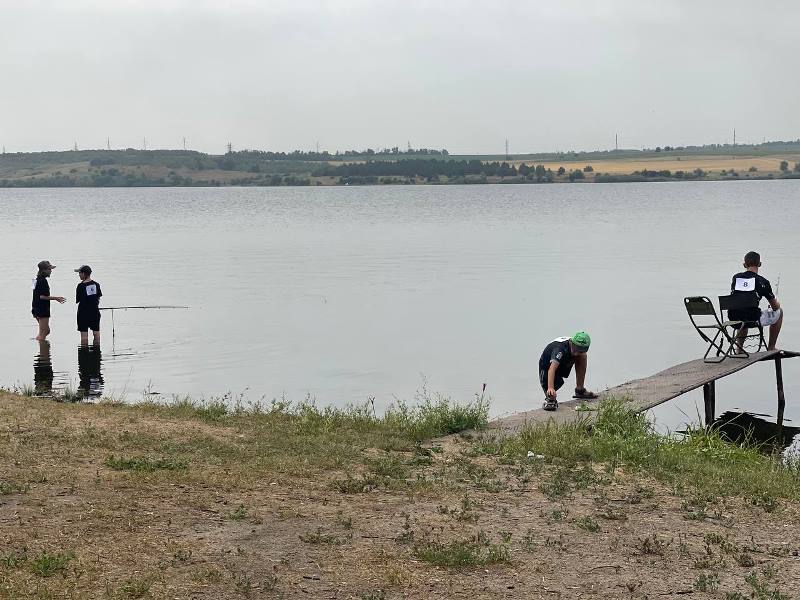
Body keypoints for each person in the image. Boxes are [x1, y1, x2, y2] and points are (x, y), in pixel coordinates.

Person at [728, 251, 783, 351]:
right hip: (753, 318)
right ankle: (771, 347)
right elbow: (775, 307)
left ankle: (739, 349)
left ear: (744, 265)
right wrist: (776, 304)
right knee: (780, 312)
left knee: (742, 312)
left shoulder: (736, 278)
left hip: (734, 318)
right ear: (759, 264)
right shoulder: (763, 281)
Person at [538, 331, 598, 411]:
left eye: (581, 350)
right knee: (551, 395)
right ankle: (550, 400)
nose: (576, 353)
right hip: (547, 367)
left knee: (582, 356)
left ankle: (580, 389)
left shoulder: (578, 351)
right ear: (571, 343)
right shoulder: (559, 349)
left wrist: (579, 353)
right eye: (576, 349)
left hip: (564, 362)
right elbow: (551, 369)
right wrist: (550, 388)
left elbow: (578, 353)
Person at [32, 260, 66, 341]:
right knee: (44, 332)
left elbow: (34, 295)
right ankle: (43, 353)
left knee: (46, 331)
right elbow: (42, 297)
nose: (51, 271)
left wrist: (33, 309)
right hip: (42, 309)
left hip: (35, 307)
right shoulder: (43, 281)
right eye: (49, 269)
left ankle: (39, 346)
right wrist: (57, 298)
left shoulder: (35, 279)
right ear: (44, 270)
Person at [75, 265, 103, 345]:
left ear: (84, 274)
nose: (79, 275)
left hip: (83, 313)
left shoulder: (80, 286)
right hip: (95, 312)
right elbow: (98, 298)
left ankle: (84, 355)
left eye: (79, 273)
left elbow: (78, 300)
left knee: (84, 337)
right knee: (96, 334)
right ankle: (96, 353)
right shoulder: (96, 284)